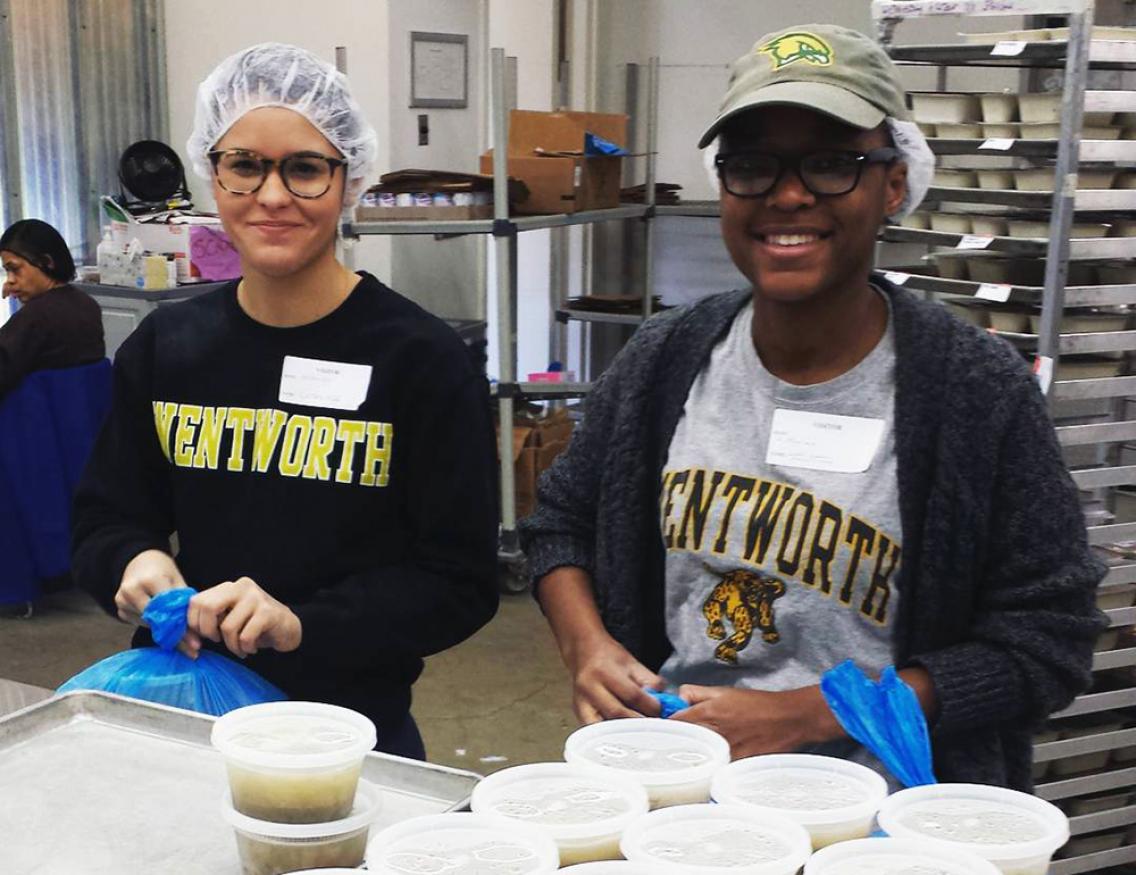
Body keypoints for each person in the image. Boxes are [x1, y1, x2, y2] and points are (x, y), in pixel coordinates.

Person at [520, 23, 1106, 790]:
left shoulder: (975, 392)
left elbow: (1045, 642)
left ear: (893, 183)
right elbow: (559, 523)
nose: (788, 194)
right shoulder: (664, 360)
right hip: (679, 799)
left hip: (884, 820)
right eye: (754, 164)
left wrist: (813, 712)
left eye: (833, 163)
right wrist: (587, 646)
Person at [72, 43, 499, 759]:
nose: (272, 196)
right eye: (245, 166)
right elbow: (103, 516)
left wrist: (301, 622)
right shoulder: (167, 349)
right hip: (188, 721)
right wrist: (131, 561)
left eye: (304, 168)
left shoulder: (417, 360)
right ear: (214, 174)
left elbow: (458, 581)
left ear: (348, 180)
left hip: (354, 736)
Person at [0, 219, 105, 396]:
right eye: (7, 271)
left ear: (46, 262)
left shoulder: (35, 317)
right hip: (81, 418)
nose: (9, 280)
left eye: (15, 269)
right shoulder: (87, 305)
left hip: (33, 418)